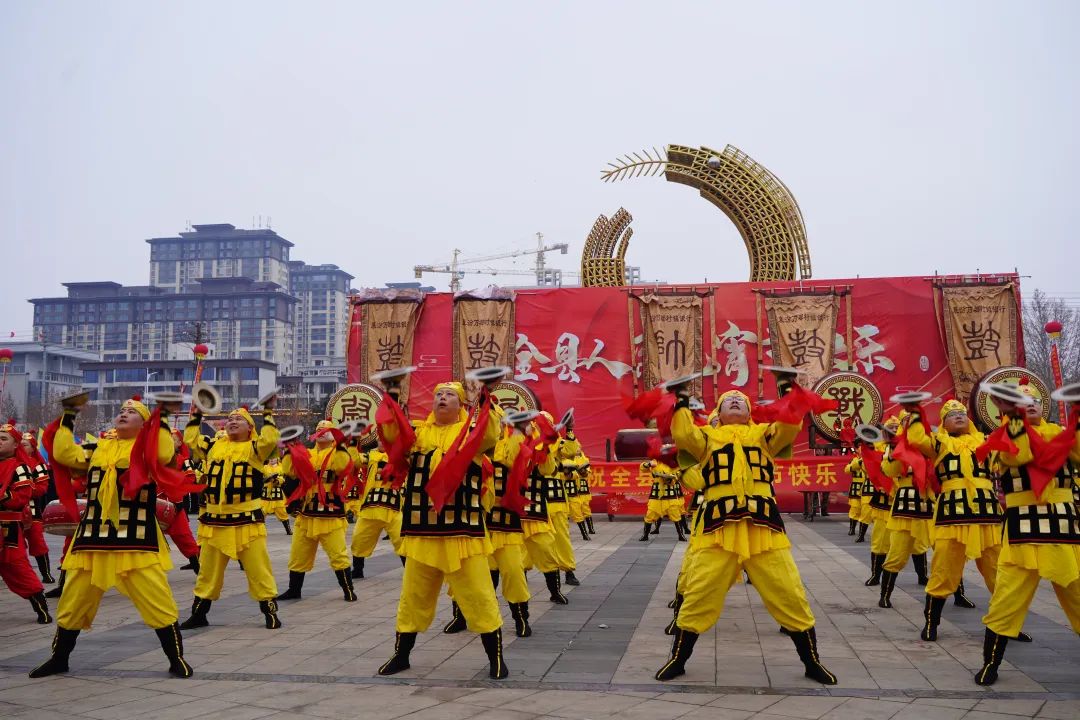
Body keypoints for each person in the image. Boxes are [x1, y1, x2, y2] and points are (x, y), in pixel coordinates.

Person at [655, 385, 837, 685]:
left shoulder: (764, 435)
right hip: (718, 530)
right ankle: (678, 659)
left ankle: (812, 662)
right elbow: (684, 434)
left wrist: (790, 398)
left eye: (740, 399)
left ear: (750, 412)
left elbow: (787, 428)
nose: (735, 400)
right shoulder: (706, 438)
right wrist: (681, 402)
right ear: (720, 413)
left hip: (764, 529)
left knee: (789, 592)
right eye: (728, 400)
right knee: (699, 593)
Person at [30, 396, 192, 679]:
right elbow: (64, 454)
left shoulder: (148, 448)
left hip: (136, 536)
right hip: (92, 537)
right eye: (121, 410)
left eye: (132, 412)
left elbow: (166, 452)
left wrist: (162, 417)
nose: (123, 413)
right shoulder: (98, 448)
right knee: (73, 602)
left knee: (158, 600)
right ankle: (59, 658)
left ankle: (176, 658)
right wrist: (69, 416)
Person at [376, 380, 509, 679]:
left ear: (462, 403)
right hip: (423, 532)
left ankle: (496, 658)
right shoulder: (420, 434)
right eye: (438, 394)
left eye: (450, 394)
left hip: (463, 532)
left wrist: (486, 395)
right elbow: (392, 436)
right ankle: (401, 655)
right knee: (413, 598)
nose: (442, 398)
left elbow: (491, 433)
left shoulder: (471, 434)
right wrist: (392, 395)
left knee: (479, 596)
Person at [975, 389, 1079, 685]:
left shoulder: (1060, 432)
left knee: (1078, 596)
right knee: (1006, 599)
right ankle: (991, 664)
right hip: (1022, 530)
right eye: (1021, 403)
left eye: (1033, 402)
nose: (1029, 406)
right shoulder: (998, 439)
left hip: (1062, 529)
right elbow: (1021, 454)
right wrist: (1014, 418)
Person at [904, 400, 1003, 642]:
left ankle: (1006, 624)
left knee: (998, 572)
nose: (958, 416)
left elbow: (1013, 448)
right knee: (943, 570)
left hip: (987, 515)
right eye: (951, 415)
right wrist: (915, 411)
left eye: (961, 413)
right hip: (953, 514)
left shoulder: (986, 442)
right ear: (944, 423)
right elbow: (916, 439)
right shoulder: (939, 443)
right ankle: (931, 623)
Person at [180, 403, 281, 630]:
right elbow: (192, 440)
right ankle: (199, 614)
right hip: (214, 521)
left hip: (247, 519)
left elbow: (270, 439)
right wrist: (195, 415)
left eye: (240, 419)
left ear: (250, 427)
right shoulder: (214, 445)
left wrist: (267, 413)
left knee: (258, 569)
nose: (233, 421)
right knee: (207, 572)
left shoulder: (256, 448)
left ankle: (270, 612)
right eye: (230, 418)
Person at [277, 420, 357, 602]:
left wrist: (342, 444)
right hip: (306, 513)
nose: (322, 431)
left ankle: (348, 589)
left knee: (338, 554)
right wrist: (290, 449)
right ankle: (294, 590)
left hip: (330, 514)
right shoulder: (307, 454)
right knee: (298, 554)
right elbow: (290, 471)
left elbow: (343, 467)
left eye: (326, 429)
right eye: (319, 429)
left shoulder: (337, 452)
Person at [876, 424, 934, 607]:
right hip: (905, 507)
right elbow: (889, 471)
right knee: (897, 553)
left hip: (930, 504)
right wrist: (894, 446)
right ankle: (884, 595)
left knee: (945, 552)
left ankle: (958, 593)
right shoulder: (896, 449)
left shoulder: (932, 446)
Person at [0, 421, 51, 624]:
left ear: (15, 445)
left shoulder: (21, 467)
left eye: (3, 439)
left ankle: (41, 607)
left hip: (9, 527)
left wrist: (3, 495)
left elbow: (22, 497)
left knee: (18, 569)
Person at [349, 439, 403, 580]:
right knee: (359, 537)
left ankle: (410, 570)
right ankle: (358, 569)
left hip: (393, 506)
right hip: (371, 505)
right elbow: (355, 461)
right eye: (380, 440)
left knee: (401, 539)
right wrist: (352, 444)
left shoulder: (400, 457)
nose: (382, 443)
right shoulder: (370, 456)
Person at [862, 419, 898, 585]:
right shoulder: (877, 448)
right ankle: (876, 574)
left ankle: (922, 575)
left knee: (917, 543)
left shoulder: (910, 447)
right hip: (883, 501)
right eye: (891, 427)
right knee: (879, 540)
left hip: (904, 501)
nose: (894, 429)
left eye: (898, 427)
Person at [165, 430, 202, 575]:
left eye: (172, 439)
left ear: (179, 443)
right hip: (154, 503)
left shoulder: (183, 460)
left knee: (184, 537)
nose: (168, 442)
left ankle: (199, 569)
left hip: (175, 504)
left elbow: (191, 478)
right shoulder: (154, 459)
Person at [640, 454, 686, 542]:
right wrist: (649, 464)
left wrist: (670, 478)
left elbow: (678, 474)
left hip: (670, 495)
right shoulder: (655, 462)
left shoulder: (674, 464)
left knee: (676, 515)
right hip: (656, 494)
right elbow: (642, 467)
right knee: (650, 514)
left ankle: (681, 535)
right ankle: (645, 535)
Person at [260, 458, 292, 535]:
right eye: (270, 457)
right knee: (261, 512)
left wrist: (276, 481)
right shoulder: (264, 467)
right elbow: (260, 477)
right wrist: (265, 479)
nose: (271, 459)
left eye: (273, 458)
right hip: (266, 494)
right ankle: (261, 531)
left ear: (277, 459)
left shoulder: (281, 468)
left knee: (282, 511)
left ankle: (288, 530)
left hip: (277, 493)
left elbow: (283, 479)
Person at [843, 452, 864, 537]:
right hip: (856, 487)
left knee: (865, 510)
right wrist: (858, 463)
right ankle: (852, 528)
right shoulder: (854, 460)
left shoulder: (869, 459)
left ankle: (862, 532)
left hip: (866, 487)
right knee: (854, 508)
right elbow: (847, 470)